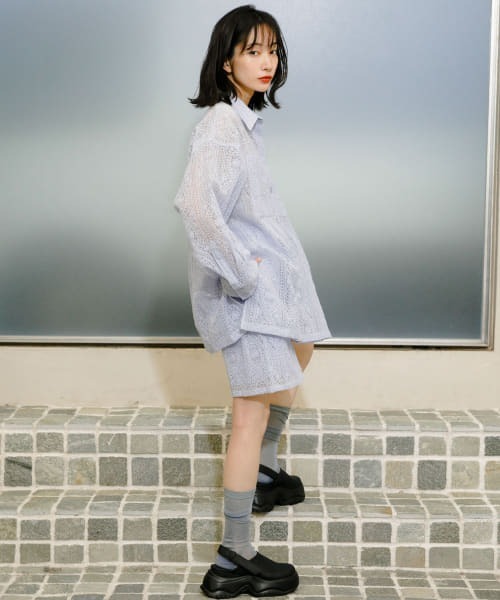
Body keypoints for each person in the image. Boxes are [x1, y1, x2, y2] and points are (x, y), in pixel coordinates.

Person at [174, 5, 331, 598]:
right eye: (252, 51)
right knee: (249, 415)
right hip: (247, 301)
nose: (266, 61)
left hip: (272, 295)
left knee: (302, 344)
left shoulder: (242, 124)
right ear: (226, 61)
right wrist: (242, 277)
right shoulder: (220, 126)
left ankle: (264, 469)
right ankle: (232, 557)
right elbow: (197, 208)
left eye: (272, 50)